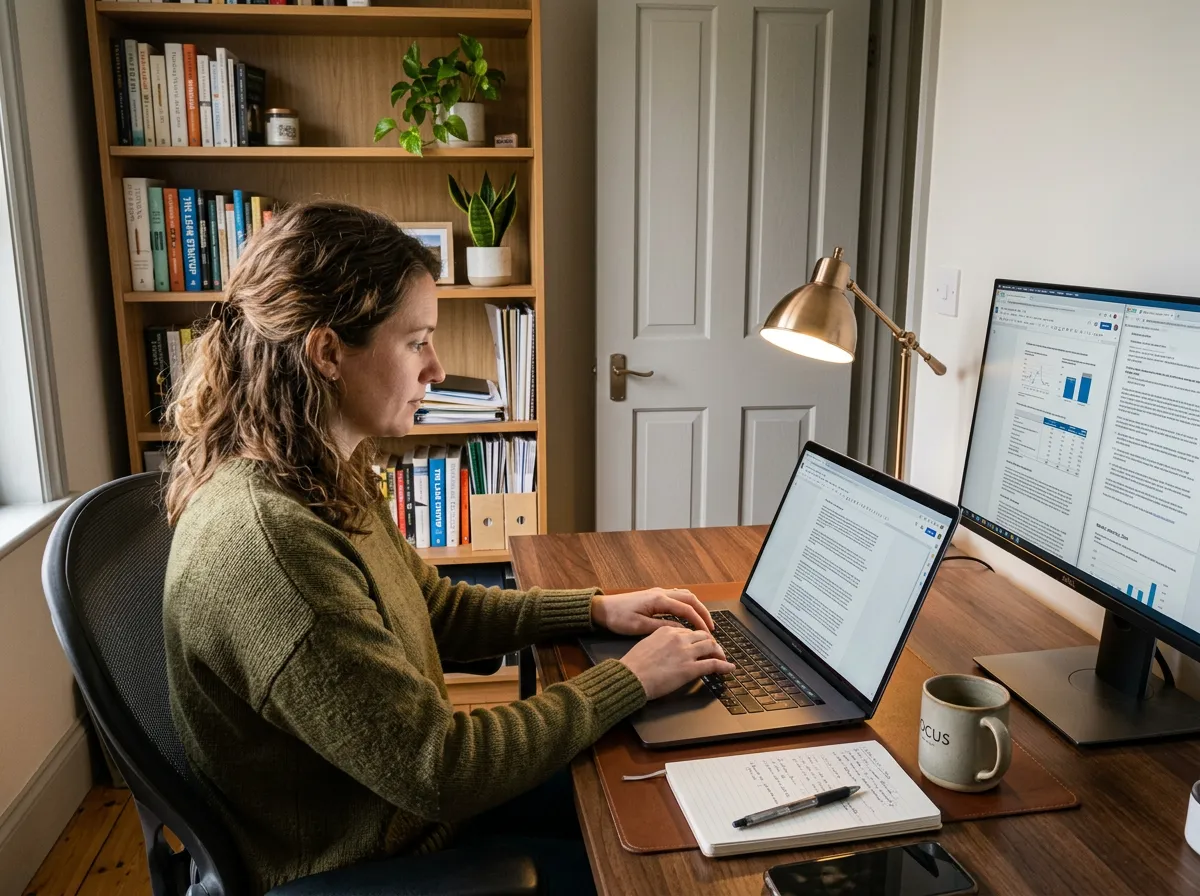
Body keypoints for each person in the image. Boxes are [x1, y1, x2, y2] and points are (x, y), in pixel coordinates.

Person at [162, 201, 735, 895]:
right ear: (327, 351)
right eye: (416, 342)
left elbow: (433, 608)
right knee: (668, 868)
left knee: (674, 790)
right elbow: (440, 767)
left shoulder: (314, 469)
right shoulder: (272, 544)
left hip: (405, 810)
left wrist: (596, 610)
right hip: (372, 858)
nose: (437, 369)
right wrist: (630, 677)